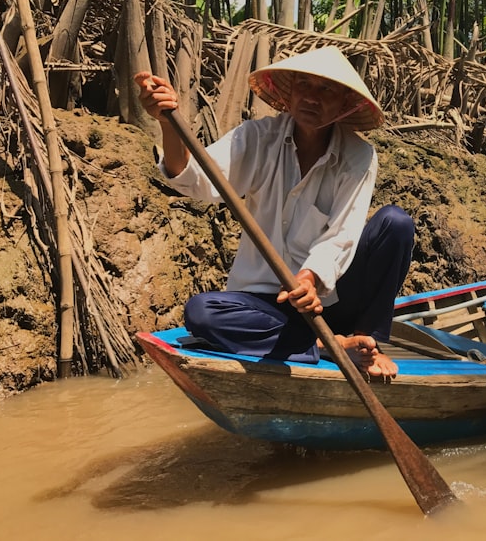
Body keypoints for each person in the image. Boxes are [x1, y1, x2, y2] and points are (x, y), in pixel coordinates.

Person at [134, 46, 412, 381]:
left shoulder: (358, 156)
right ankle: (327, 346)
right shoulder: (256, 138)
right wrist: (168, 123)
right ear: (288, 92)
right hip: (265, 310)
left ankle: (370, 343)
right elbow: (194, 180)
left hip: (331, 301)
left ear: (345, 105)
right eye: (303, 86)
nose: (312, 98)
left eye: (326, 90)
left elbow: (342, 235)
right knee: (201, 313)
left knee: (395, 224)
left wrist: (309, 280)